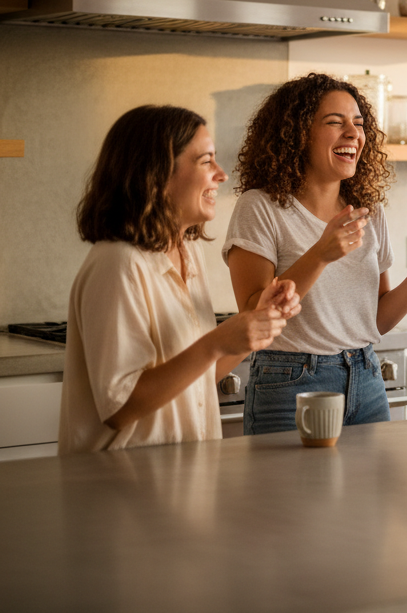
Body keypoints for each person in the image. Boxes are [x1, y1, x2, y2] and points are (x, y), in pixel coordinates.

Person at [225, 74, 407, 435]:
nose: (353, 133)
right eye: (335, 122)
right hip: (289, 381)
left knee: (371, 493)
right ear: (297, 133)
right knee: (286, 493)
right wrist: (320, 254)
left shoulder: (368, 212)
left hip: (366, 375)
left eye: (358, 123)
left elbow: (377, 322)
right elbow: (252, 312)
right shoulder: (260, 207)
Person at [60, 106, 300, 454]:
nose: (221, 174)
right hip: (123, 490)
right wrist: (218, 341)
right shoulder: (118, 263)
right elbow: (119, 406)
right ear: (156, 174)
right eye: (206, 161)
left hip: (182, 480)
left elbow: (199, 374)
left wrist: (253, 329)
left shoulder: (188, 252)